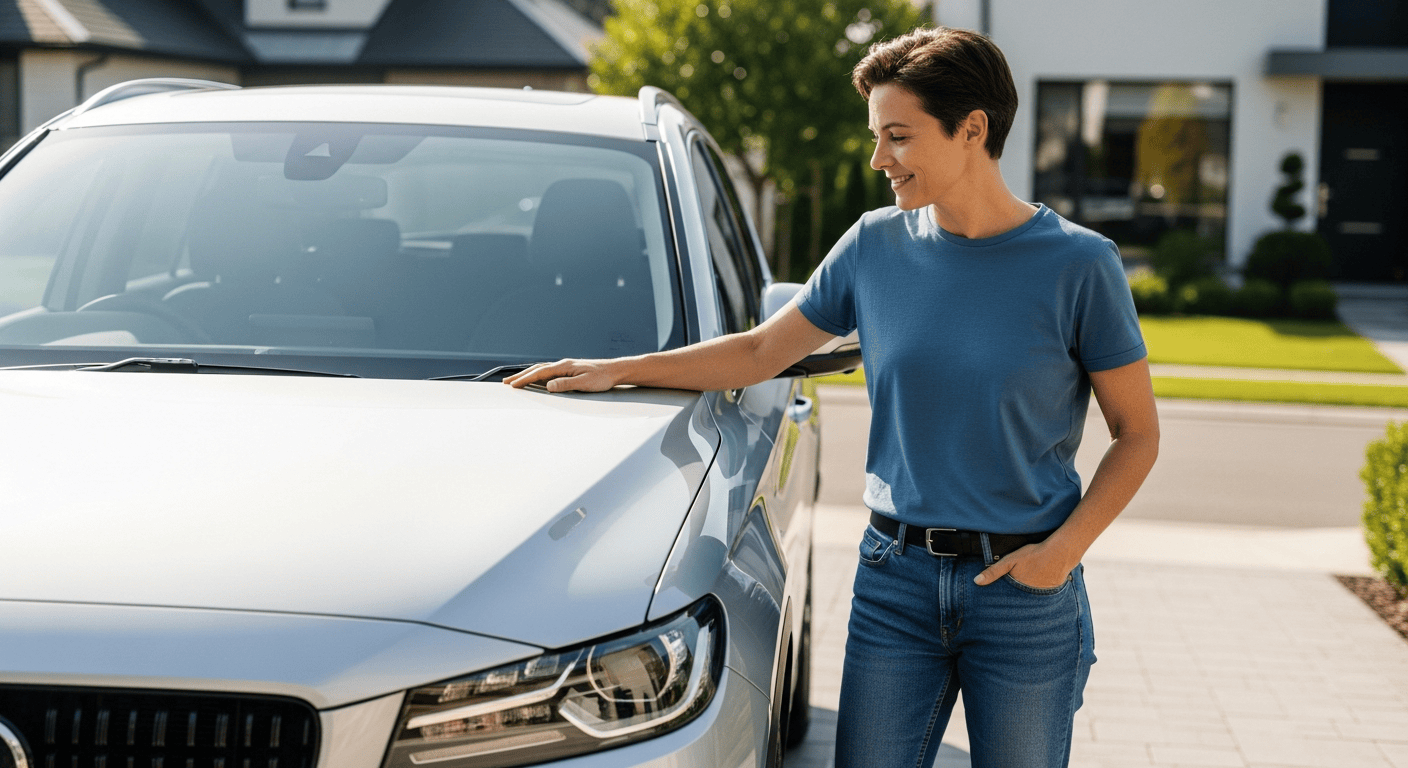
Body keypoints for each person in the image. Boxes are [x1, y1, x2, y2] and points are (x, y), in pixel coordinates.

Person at [506, 25, 1159, 768]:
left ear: (973, 129)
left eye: (898, 137)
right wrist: (619, 370)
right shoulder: (875, 246)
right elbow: (760, 352)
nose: (879, 159)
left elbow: (1137, 434)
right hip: (896, 584)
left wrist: (1061, 554)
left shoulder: (1079, 265)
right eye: (877, 137)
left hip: (1023, 594)